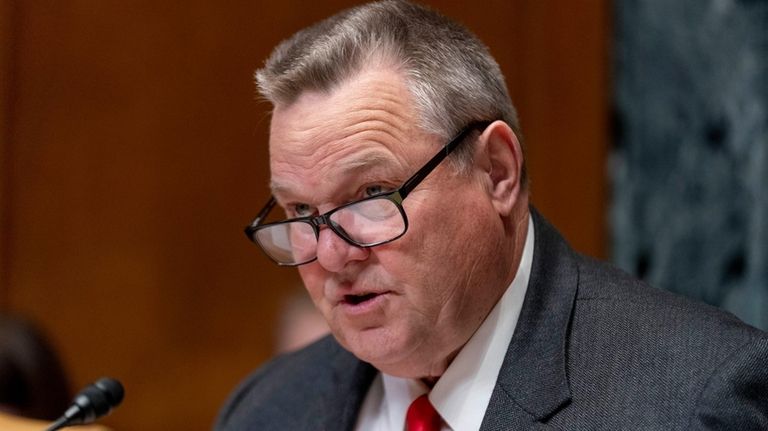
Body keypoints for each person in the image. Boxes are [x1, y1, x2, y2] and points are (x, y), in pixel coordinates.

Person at [215, 1, 768, 429]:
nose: (332, 254)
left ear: (497, 171)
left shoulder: (695, 401)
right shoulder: (266, 410)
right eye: (302, 210)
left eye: (371, 193)